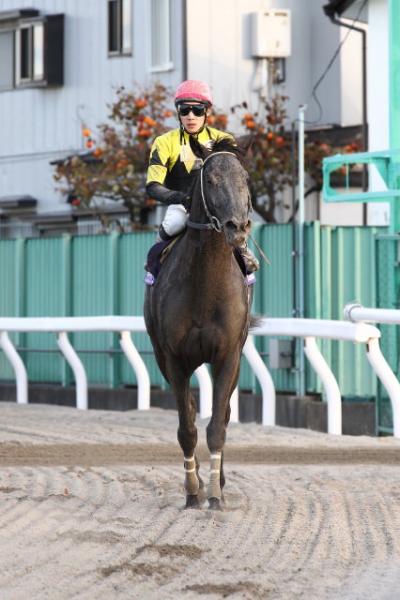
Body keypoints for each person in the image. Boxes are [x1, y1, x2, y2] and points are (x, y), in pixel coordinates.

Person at [145, 79, 259, 274]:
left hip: (220, 206)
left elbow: (235, 178)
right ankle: (154, 265)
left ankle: (245, 264)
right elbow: (153, 186)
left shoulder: (224, 140)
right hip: (182, 205)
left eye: (197, 110)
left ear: (207, 112)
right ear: (178, 112)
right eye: (184, 110)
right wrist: (182, 198)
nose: (191, 116)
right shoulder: (164, 142)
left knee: (238, 228)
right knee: (173, 223)